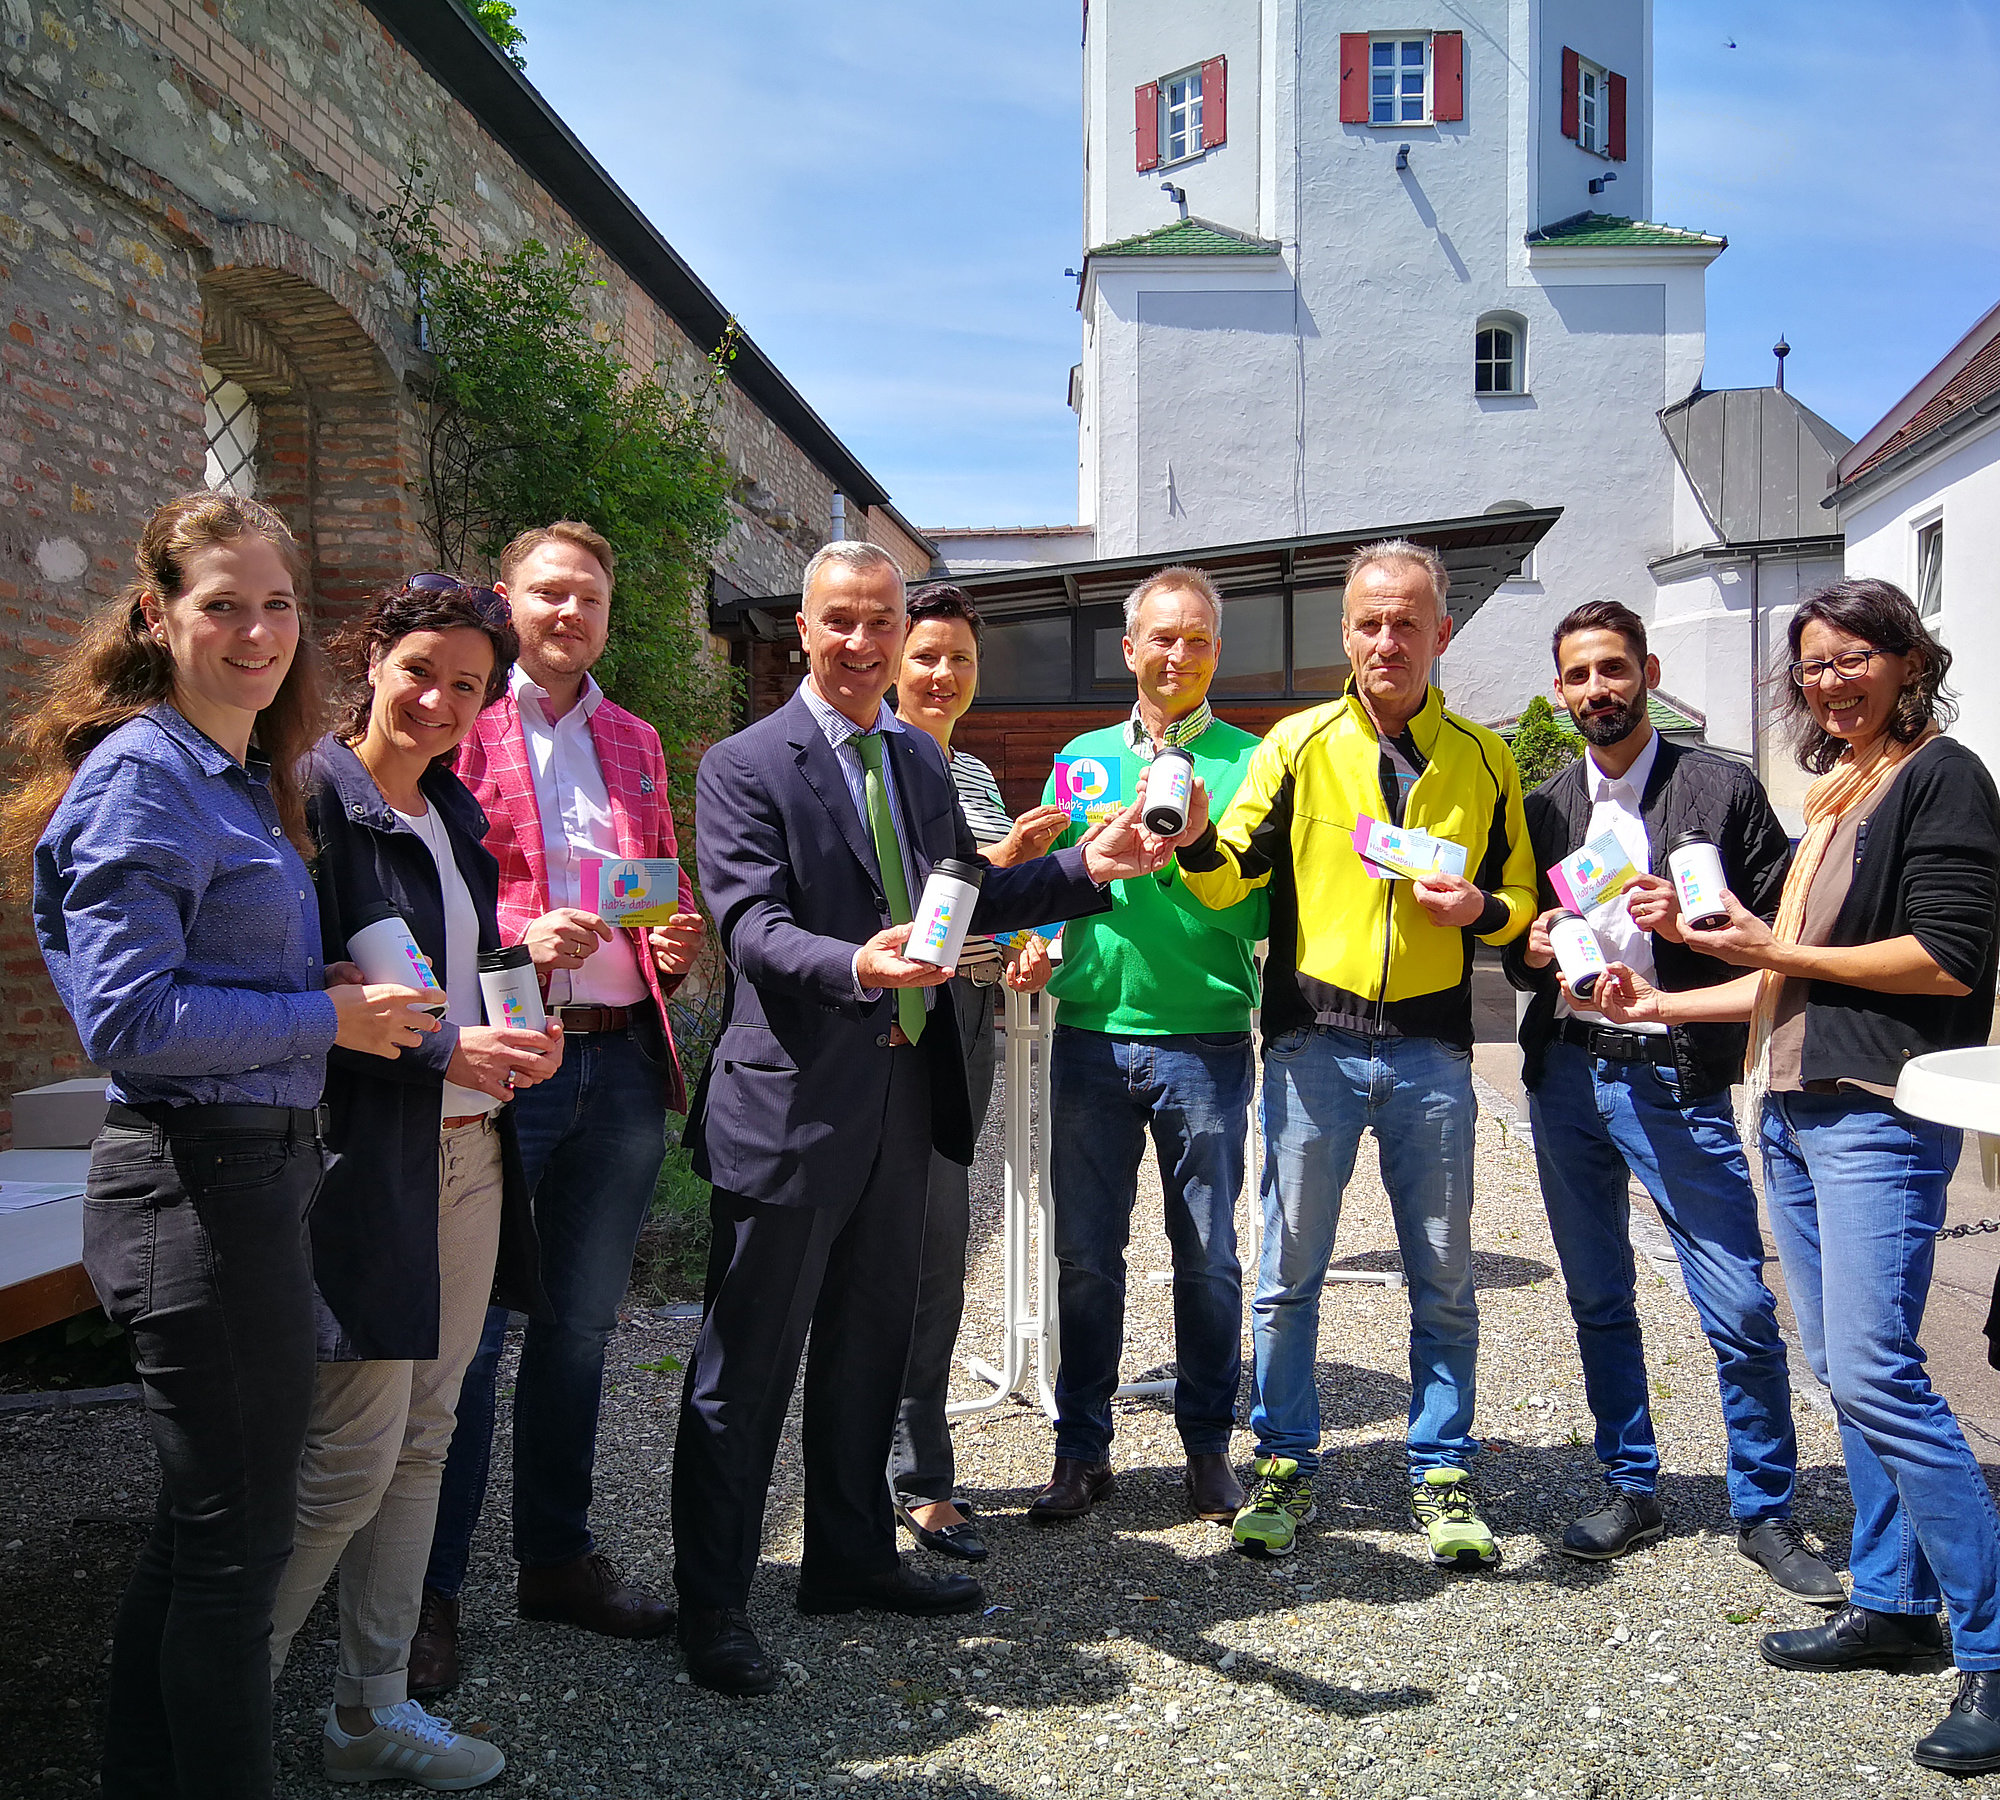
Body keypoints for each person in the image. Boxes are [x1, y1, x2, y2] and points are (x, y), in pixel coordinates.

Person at [675, 539, 1181, 1695]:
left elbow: (976, 893)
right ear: (803, 628)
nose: (860, 645)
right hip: (792, 1112)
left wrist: (1093, 873)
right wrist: (857, 961)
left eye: (878, 624)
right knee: (742, 1369)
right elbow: (747, 926)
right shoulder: (746, 763)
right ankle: (714, 1601)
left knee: (867, 1350)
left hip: (906, 1099)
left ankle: (848, 1557)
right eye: (838, 622)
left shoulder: (913, 760)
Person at [9, 493, 438, 1800]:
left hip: (248, 1177)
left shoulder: (235, 773)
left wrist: (324, 990)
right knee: (234, 1559)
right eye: (222, 605)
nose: (257, 632)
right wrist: (329, 1015)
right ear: (158, 616)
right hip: (193, 1188)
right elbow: (129, 1016)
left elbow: (206, 975)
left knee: (201, 1545)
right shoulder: (144, 776)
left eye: (277, 605)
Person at [1592, 578, 2000, 1776]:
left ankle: (1986, 1650)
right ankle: (1888, 1603)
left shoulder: (1940, 776)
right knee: (1843, 1371)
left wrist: (1772, 945)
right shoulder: (1836, 792)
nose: (1830, 680)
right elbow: (1785, 978)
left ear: (1906, 659)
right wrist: (1662, 997)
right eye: (1812, 664)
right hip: (1794, 1107)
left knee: (1877, 1370)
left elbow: (1945, 956)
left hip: (1875, 1111)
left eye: (1853, 657)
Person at [1172, 538, 1535, 1567]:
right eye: (1368, 621)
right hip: (1308, 1049)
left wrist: (1480, 906)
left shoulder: (1481, 755)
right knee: (1286, 1277)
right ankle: (1283, 1461)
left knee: (1443, 1277)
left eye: (1406, 621)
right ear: (1344, 632)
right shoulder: (1293, 743)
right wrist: (1196, 840)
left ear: (1439, 633)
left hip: (1429, 1053)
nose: (1386, 639)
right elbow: (1229, 873)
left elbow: (1520, 906)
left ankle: (1441, 1469)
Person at [265, 579, 565, 1788]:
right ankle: (210, 1720)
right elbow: (308, 999)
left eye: (469, 688)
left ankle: (364, 1716)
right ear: (370, 657)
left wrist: (521, 1019)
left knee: (429, 1439)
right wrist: (449, 1049)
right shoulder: (310, 804)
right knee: (345, 1456)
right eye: (420, 672)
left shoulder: (447, 812)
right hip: (367, 1166)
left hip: (469, 1150)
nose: (440, 702)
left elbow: (458, 970)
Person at [1502, 600, 1842, 1600]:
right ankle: (1629, 1482)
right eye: (1576, 676)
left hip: (1672, 1074)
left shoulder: (1718, 787)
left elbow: (1784, 930)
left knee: (1735, 1299)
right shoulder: (1546, 804)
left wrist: (1689, 931)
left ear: (1644, 670)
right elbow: (1525, 950)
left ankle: (1765, 1507)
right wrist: (1523, 954)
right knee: (1597, 1294)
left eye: (1611, 669)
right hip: (1566, 1070)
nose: (1596, 691)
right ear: (1558, 688)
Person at [414, 521, 704, 1694]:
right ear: (507, 598)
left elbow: (659, 893)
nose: (567, 613)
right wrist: (514, 940)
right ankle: (425, 1592)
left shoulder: (633, 741)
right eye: (546, 592)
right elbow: (424, 890)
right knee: (467, 1337)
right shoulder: (458, 723)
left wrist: (673, 951)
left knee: (580, 1330)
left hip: (622, 1056)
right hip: (508, 1058)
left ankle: (554, 1559)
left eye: (587, 595)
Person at [1025, 566, 1266, 1528]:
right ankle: (1081, 1450)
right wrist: (1033, 937)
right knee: (1086, 1256)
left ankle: (1208, 1448)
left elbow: (1259, 907)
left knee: (1207, 1256)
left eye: (1197, 640)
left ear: (1216, 652)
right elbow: (1045, 883)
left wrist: (1198, 851)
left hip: (1203, 1038)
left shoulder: (1251, 761)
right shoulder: (1081, 758)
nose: (1177, 654)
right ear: (1129, 649)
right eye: (1160, 638)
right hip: (1088, 1032)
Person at [887, 584, 1064, 1564]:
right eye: (927, 656)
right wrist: (1003, 863)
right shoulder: (866, 764)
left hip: (962, 1023)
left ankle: (916, 1470)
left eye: (958, 658)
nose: (942, 674)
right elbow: (911, 901)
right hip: (882, 1026)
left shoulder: (974, 771)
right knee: (886, 1254)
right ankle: (889, 1473)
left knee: (937, 1248)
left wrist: (1028, 942)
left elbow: (993, 921)